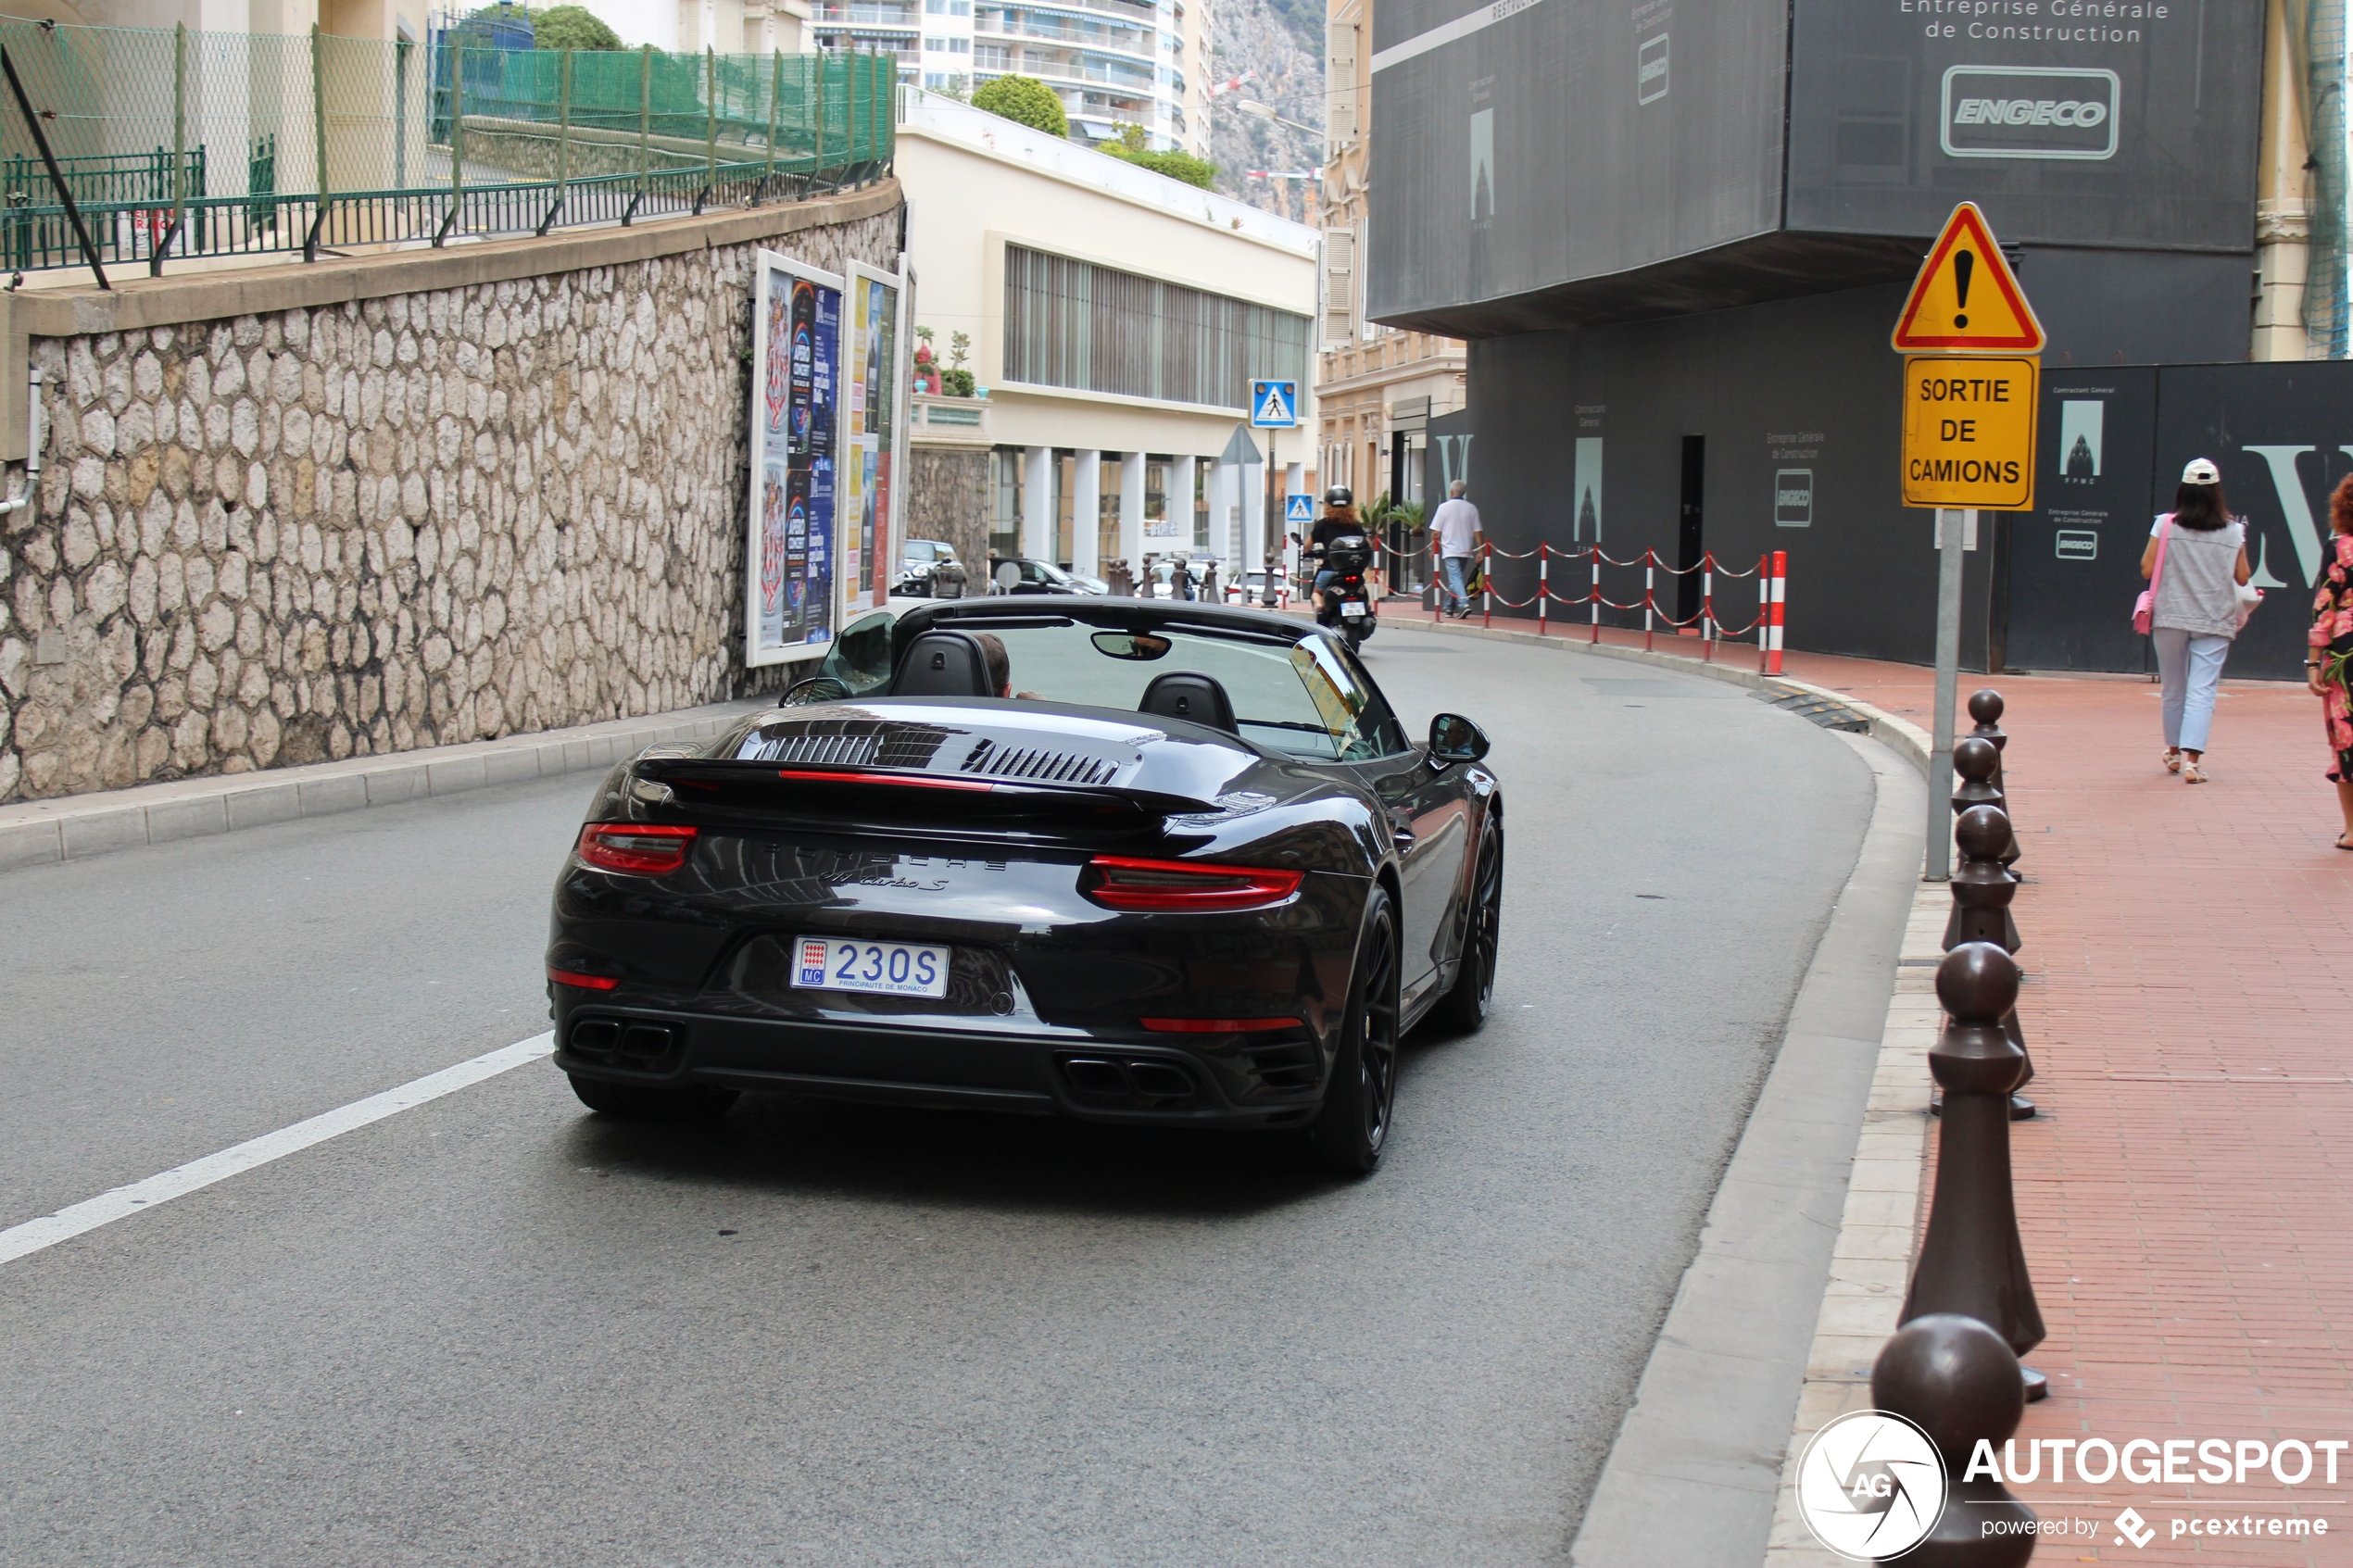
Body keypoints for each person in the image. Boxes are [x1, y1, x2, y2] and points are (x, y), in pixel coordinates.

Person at [2140, 457, 2252, 784]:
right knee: (2203, 690)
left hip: (2170, 614)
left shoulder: (2165, 525)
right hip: (2214, 618)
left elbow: (2147, 569)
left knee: (2173, 688)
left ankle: (2173, 753)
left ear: (2183, 490)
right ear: (2217, 492)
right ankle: (2193, 762)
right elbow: (2243, 576)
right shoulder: (2233, 530)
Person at [2309, 476, 2353, 847]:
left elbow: (2325, 605)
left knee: (2347, 738)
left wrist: (2311, 663)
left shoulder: (2339, 547)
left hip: (2346, 651)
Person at [1430, 480, 1482, 618]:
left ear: (1451, 491)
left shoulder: (1444, 507)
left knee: (1455, 577)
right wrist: (1481, 550)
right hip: (1465, 549)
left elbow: (1435, 532)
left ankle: (1463, 604)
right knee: (1456, 578)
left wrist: (1432, 549)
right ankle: (1448, 607)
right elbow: (1478, 531)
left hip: (1449, 549)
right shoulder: (1472, 508)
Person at [1307, 486, 1361, 612]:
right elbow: (1367, 543)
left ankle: (1320, 605)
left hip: (1329, 569)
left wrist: (1307, 551)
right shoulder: (1355, 524)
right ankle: (1366, 606)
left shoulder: (1322, 524)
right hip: (1353, 571)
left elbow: (1307, 545)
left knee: (1316, 592)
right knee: (1360, 590)